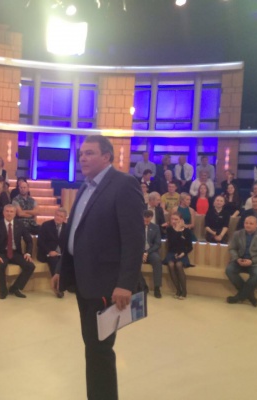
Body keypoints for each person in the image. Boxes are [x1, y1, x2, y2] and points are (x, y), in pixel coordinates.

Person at [50, 135, 144, 400]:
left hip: (106, 285)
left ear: (107, 157)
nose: (83, 158)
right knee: (93, 348)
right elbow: (75, 233)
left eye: (89, 153)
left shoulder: (124, 184)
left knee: (100, 351)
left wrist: (125, 283)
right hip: (84, 283)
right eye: (81, 153)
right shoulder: (85, 187)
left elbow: (134, 239)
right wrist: (61, 269)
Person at [0, 204, 36, 299]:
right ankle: (3, 290)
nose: (9, 213)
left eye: (11, 211)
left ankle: (15, 288)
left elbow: (29, 241)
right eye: (7, 211)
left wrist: (28, 253)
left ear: (15, 214)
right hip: (1, 252)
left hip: (15, 252)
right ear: (3, 212)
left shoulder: (20, 224)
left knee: (30, 266)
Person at [225, 215, 257, 307]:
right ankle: (250, 296)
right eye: (246, 223)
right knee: (229, 270)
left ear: (256, 225)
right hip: (240, 260)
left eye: (251, 223)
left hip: (256, 263)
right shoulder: (237, 234)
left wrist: (252, 261)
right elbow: (232, 248)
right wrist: (237, 258)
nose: (248, 225)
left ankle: (239, 297)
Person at [37, 208, 68, 298]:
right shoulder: (46, 225)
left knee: (69, 261)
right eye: (57, 215)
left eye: (61, 216)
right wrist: (49, 251)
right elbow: (40, 242)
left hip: (61, 254)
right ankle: (57, 288)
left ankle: (70, 286)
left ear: (64, 218)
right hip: (47, 253)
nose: (58, 217)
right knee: (55, 262)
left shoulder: (67, 227)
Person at [162, 211, 194, 300]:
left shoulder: (187, 231)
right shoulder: (169, 230)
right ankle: (178, 290)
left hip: (182, 253)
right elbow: (172, 243)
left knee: (179, 265)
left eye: (176, 219)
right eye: (172, 219)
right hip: (171, 252)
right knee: (171, 265)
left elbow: (190, 247)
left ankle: (184, 291)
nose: (174, 221)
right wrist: (176, 230)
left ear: (181, 220)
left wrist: (183, 253)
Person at [142, 209, 163, 298]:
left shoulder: (155, 227)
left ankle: (157, 288)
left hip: (151, 251)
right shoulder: (137, 226)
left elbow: (157, 243)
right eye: (145, 219)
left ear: (151, 218)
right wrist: (142, 252)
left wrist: (147, 252)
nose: (146, 221)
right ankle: (143, 286)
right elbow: (134, 242)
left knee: (157, 260)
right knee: (132, 262)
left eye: (148, 219)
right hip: (140, 252)